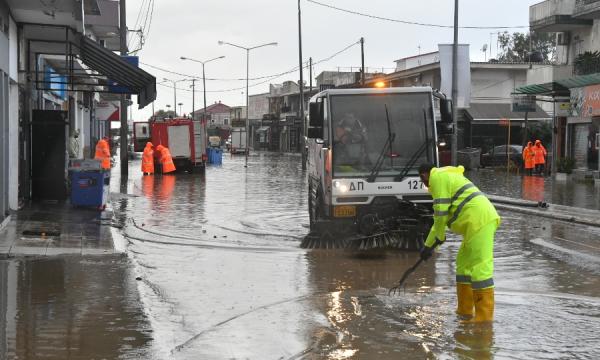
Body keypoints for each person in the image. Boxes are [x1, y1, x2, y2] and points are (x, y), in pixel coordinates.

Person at [418, 163, 501, 323]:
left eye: (423, 178)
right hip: (473, 224)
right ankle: (464, 313)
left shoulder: (437, 178)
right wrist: (430, 245)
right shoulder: (444, 177)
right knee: (463, 266)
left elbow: (440, 214)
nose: (425, 184)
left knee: (480, 270)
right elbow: (440, 219)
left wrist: (434, 242)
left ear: (424, 175)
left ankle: (483, 323)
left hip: (480, 221)